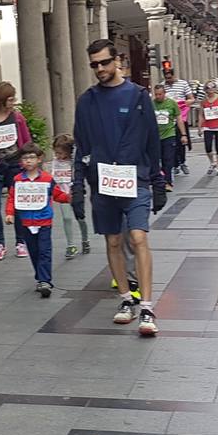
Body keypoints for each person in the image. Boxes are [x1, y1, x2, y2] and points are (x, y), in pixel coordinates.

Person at [74, 39, 162, 337]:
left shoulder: (138, 95)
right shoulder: (86, 101)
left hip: (134, 177)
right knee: (112, 241)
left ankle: (147, 306)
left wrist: (158, 180)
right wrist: (78, 185)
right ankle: (127, 299)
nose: (99, 68)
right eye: (94, 64)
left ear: (117, 61)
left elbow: (152, 139)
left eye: (104, 62)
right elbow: (81, 144)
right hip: (103, 180)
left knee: (138, 236)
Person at [2, 144, 69, 297]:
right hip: (26, 221)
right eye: (25, 158)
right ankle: (40, 277)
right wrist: (9, 213)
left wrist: (70, 198)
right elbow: (12, 197)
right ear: (21, 161)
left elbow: (57, 194)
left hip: (44, 221)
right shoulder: (18, 180)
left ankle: (45, 280)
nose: (28, 161)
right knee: (33, 251)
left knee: (45, 251)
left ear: (39, 160)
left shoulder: (47, 178)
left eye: (32, 157)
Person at [0, 81, 33, 260]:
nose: (12, 103)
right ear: (1, 100)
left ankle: (20, 242)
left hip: (14, 166)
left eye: (13, 99)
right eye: (9, 99)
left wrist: (29, 163)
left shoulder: (17, 118)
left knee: (18, 204)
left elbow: (26, 142)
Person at [50, 133, 88, 259]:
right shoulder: (55, 161)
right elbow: (52, 175)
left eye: (61, 153)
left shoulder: (73, 162)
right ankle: (70, 245)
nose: (58, 156)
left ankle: (85, 239)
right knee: (66, 218)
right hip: (62, 194)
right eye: (56, 153)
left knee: (80, 218)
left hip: (74, 192)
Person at [152, 83, 183, 190]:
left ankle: (168, 183)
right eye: (156, 94)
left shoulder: (172, 103)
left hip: (169, 134)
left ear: (164, 93)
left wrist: (183, 134)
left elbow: (179, 118)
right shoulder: (152, 104)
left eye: (160, 94)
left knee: (168, 159)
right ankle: (158, 180)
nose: (158, 97)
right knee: (156, 160)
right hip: (156, 136)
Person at [198, 85, 218, 175]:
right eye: (208, 88)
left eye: (212, 87)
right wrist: (199, 127)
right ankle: (212, 162)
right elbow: (201, 114)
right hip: (207, 125)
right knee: (208, 146)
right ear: (205, 90)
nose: (211, 89)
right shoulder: (203, 100)